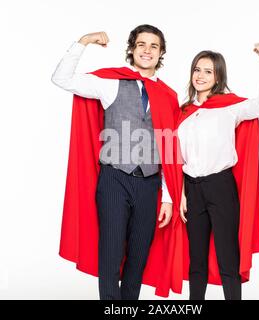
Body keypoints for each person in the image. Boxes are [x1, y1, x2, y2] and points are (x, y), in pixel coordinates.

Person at [51, 25, 183, 300]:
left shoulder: (169, 96)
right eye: (142, 44)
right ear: (132, 49)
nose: (147, 50)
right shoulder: (110, 83)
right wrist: (83, 41)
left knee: (138, 258)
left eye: (154, 46)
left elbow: (169, 147)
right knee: (111, 256)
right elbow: (61, 78)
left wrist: (169, 197)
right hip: (114, 180)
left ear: (161, 54)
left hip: (149, 186)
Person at [177, 43, 259, 300]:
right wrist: (181, 194)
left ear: (218, 77)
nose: (200, 76)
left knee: (227, 259)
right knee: (196, 260)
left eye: (208, 72)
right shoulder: (183, 112)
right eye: (197, 70)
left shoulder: (229, 107)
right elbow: (176, 157)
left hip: (221, 187)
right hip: (192, 189)